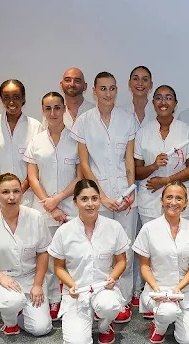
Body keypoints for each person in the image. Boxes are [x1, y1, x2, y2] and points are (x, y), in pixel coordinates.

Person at [71, 71, 138, 323]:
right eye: (103, 88)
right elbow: (85, 164)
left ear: (116, 90)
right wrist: (102, 197)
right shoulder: (84, 121)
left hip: (125, 195)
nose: (107, 93)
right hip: (96, 195)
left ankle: (122, 301)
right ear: (94, 91)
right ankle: (100, 297)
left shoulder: (127, 119)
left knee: (125, 249)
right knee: (101, 249)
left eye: (111, 88)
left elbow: (129, 160)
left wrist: (130, 191)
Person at [133, 85, 189, 314]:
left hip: (178, 198)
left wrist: (166, 180)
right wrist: (154, 167)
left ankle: (180, 291)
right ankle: (153, 294)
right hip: (150, 199)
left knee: (180, 247)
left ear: (175, 103)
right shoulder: (143, 132)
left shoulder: (186, 130)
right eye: (159, 98)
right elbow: (136, 171)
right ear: (153, 103)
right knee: (155, 249)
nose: (164, 102)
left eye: (168, 98)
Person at [49, 179, 129, 344]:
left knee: (109, 306)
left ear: (100, 200)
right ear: (75, 202)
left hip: (104, 288)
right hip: (77, 291)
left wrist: (113, 277)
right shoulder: (64, 232)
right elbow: (59, 267)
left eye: (94, 198)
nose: (90, 204)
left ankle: (105, 325)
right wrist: (71, 285)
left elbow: (121, 261)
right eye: (84, 199)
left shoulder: (113, 227)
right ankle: (87, 318)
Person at [24, 92, 83, 320]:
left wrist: (58, 200)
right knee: (47, 258)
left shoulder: (75, 139)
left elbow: (80, 176)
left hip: (70, 207)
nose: (53, 113)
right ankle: (52, 299)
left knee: (71, 256)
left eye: (57, 108)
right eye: (48, 108)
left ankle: (72, 298)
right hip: (44, 209)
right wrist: (50, 205)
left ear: (64, 110)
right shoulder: (36, 142)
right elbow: (33, 178)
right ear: (43, 110)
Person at [133, 182, 189, 344]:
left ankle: (176, 317)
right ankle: (159, 326)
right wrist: (155, 288)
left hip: (187, 290)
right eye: (169, 197)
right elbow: (144, 266)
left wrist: (180, 287)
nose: (173, 202)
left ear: (186, 202)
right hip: (159, 288)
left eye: (179, 198)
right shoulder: (149, 229)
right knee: (167, 312)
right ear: (162, 200)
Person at [0, 173, 52, 336]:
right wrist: (1, 278)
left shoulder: (35, 217)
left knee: (41, 329)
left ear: (22, 193)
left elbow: (43, 252)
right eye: (5, 192)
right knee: (12, 301)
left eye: (16, 191)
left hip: (31, 278)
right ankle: (10, 322)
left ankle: (19, 311)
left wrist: (38, 284)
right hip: (1, 278)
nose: (11, 197)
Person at [0, 79, 42, 208]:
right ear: (1, 99)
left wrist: (19, 190)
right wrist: (3, 188)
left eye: (16, 97)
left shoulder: (36, 126)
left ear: (23, 98)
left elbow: (37, 164)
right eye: (6, 97)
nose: (11, 102)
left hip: (27, 196)